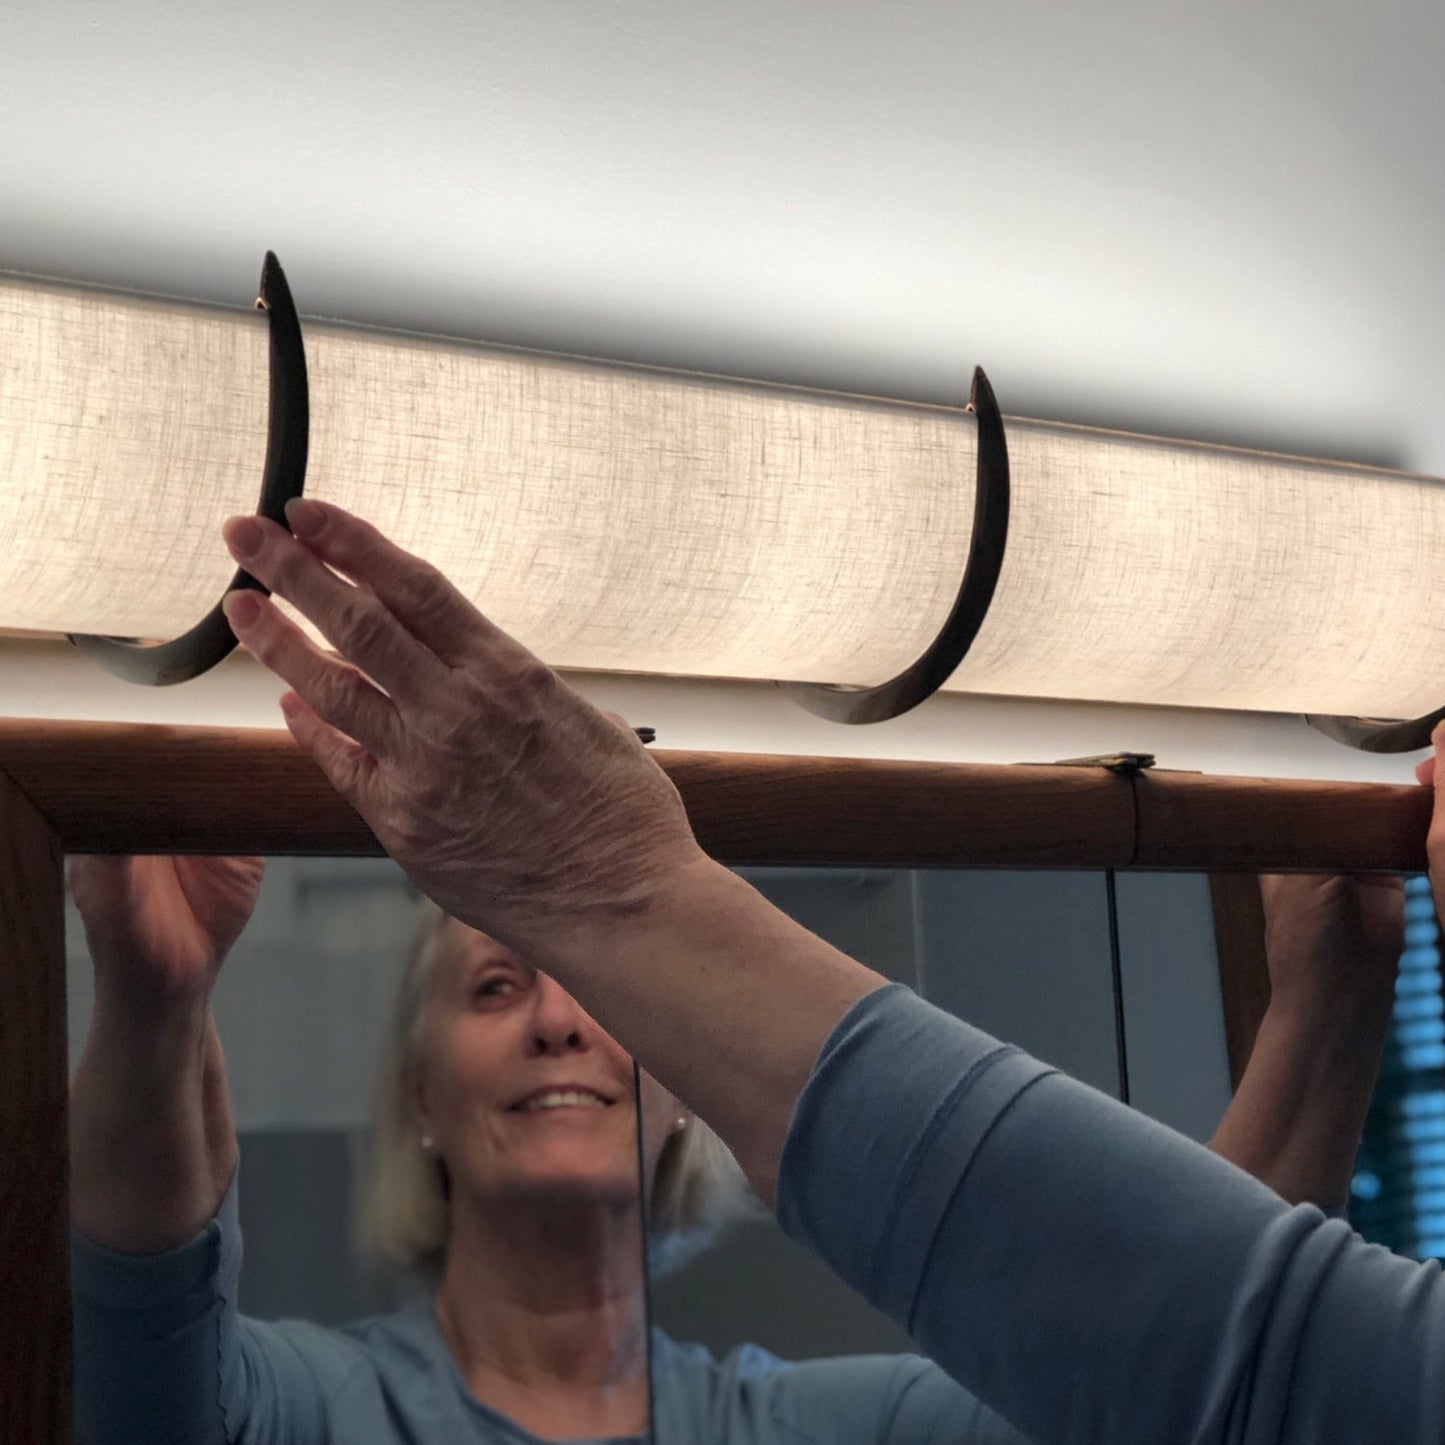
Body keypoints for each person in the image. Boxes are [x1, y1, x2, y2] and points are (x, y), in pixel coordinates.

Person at [65, 491, 1438, 1443]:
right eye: (493, 986)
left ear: (684, 1076)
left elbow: (1176, 1371)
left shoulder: (802, 1422)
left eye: (599, 990)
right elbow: (148, 1394)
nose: (559, 1021)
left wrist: (1327, 993)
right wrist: (152, 1001)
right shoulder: (325, 1408)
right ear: (415, 1090)